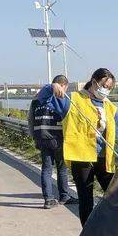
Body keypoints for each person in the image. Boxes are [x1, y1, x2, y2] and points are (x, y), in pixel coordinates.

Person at [62, 68, 118, 236]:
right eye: (103, 86)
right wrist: (53, 87)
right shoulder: (74, 99)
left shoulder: (109, 106)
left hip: (105, 159)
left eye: (109, 87)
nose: (105, 90)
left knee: (113, 196)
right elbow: (47, 98)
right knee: (86, 199)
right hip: (82, 157)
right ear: (94, 82)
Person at [29, 74, 72, 209]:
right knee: (62, 169)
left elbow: (30, 120)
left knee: (47, 169)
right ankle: (64, 196)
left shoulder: (36, 100)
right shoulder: (61, 99)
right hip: (57, 139)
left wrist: (34, 137)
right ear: (63, 85)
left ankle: (48, 199)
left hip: (42, 138)